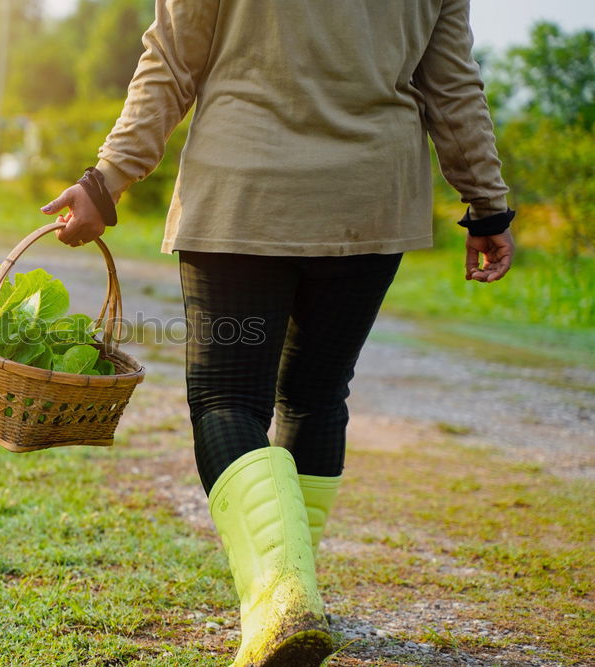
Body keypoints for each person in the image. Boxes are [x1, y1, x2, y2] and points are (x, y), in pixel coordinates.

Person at [41, 0, 514, 665]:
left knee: (227, 399)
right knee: (316, 394)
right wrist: (486, 202)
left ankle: (281, 594)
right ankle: (294, 599)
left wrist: (108, 177)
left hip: (243, 191)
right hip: (368, 197)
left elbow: (173, 59)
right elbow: (452, 81)